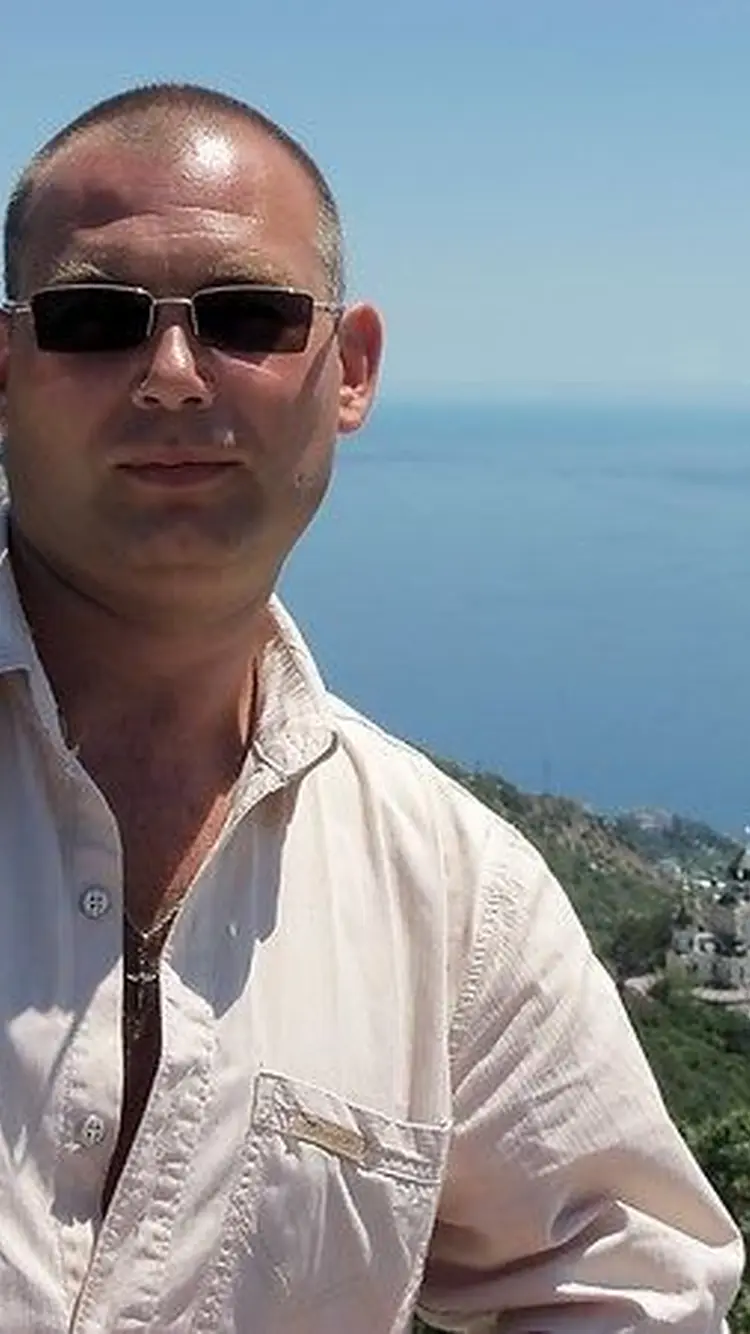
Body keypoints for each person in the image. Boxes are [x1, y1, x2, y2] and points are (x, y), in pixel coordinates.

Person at [0, 83, 742, 1334]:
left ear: (348, 370)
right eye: (93, 319)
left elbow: (628, 1282)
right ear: (2, 371)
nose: (172, 375)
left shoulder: (457, 901)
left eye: (247, 316)